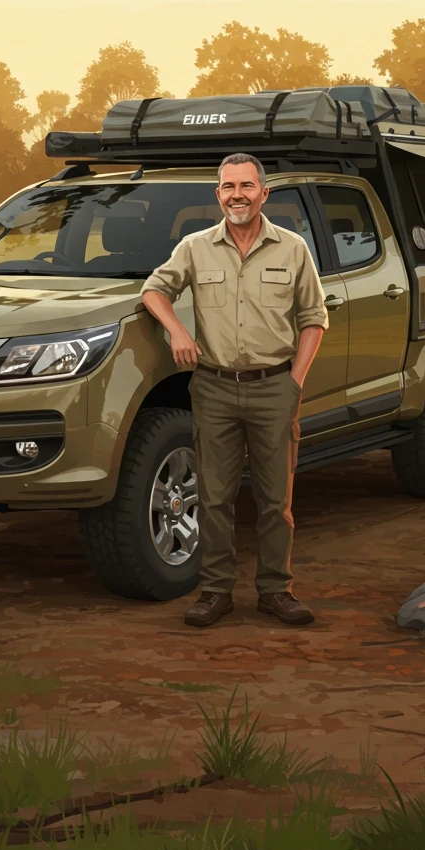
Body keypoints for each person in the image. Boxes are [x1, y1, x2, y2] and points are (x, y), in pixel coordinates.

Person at [141, 153, 327, 628]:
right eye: (228, 187)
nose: (236, 195)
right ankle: (216, 591)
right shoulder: (195, 247)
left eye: (246, 186)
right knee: (214, 497)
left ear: (264, 194)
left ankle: (275, 591)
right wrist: (178, 332)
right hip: (215, 388)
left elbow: (314, 319)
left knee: (274, 501)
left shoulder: (293, 249)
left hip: (274, 387)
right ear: (218, 194)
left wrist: (295, 382)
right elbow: (153, 290)